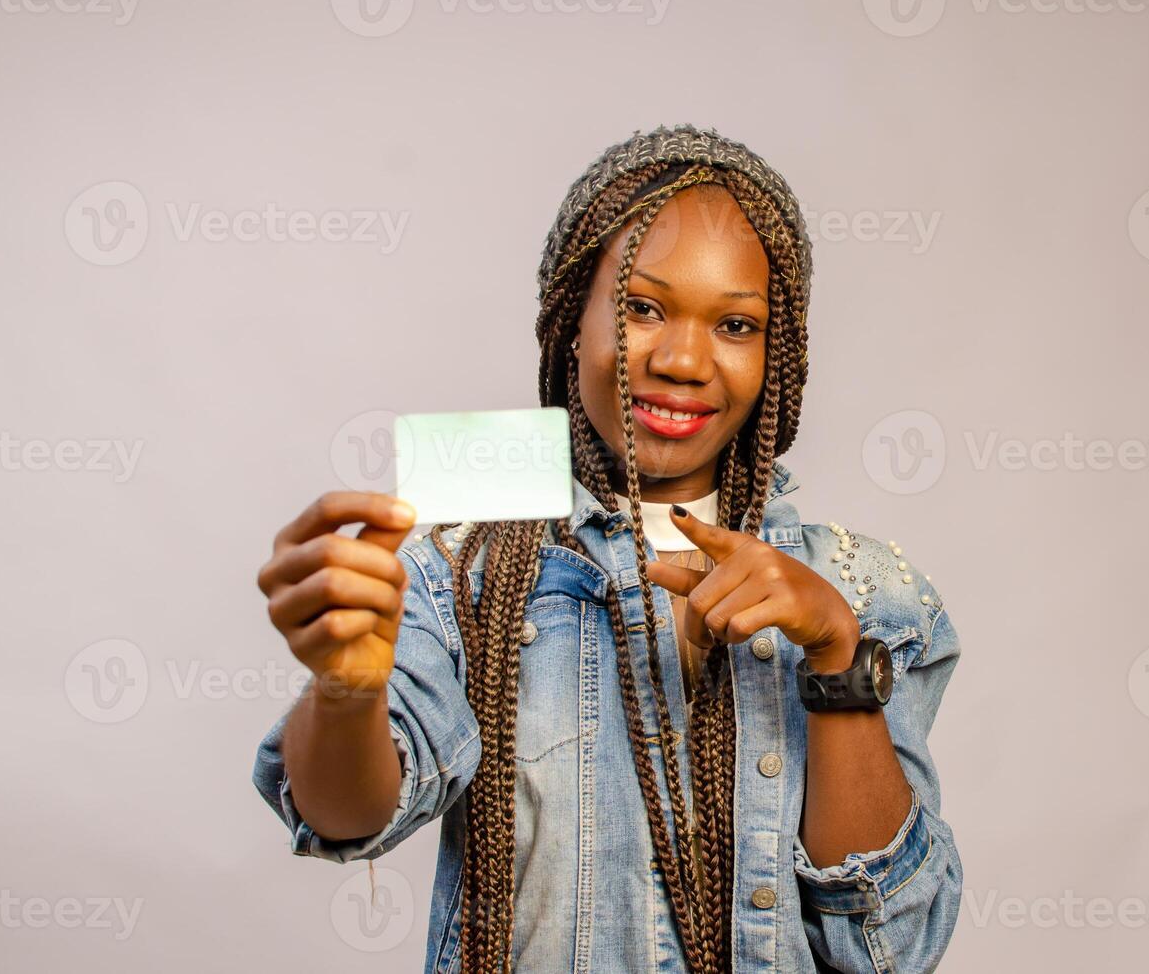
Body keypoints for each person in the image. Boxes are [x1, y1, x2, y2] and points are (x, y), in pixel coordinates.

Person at [252, 124, 963, 973]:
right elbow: (345, 818)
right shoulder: (460, 574)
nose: (686, 359)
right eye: (643, 307)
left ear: (780, 355)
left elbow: (894, 946)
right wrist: (343, 691)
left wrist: (838, 657)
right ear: (570, 320)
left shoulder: (869, 592)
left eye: (736, 324)